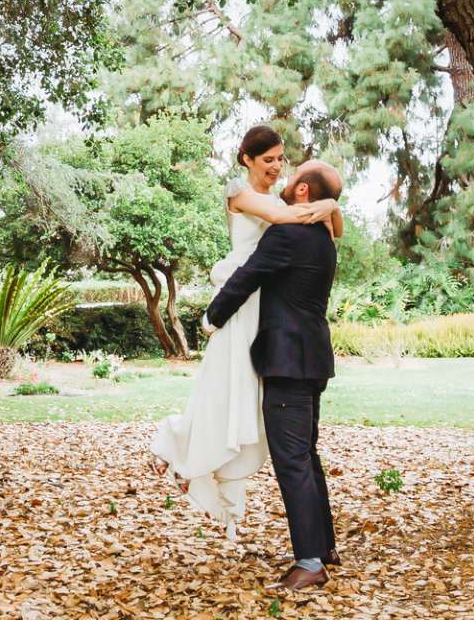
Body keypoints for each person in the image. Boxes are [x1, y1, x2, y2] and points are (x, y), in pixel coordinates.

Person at [145, 126, 341, 540]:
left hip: (265, 311)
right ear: (247, 159)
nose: (275, 167)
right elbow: (284, 221)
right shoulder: (243, 194)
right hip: (244, 301)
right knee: (223, 386)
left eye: (280, 160)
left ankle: (201, 463)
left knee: (247, 405)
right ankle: (181, 451)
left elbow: (309, 224)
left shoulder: (290, 211)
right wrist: (327, 205)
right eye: (267, 158)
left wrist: (327, 207)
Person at [204, 156, 344, 592]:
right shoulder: (323, 237)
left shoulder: (288, 234)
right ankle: (324, 548)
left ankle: (308, 563)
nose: (285, 179)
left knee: (292, 460)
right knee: (307, 454)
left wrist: (213, 317)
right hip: (313, 358)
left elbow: (249, 276)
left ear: (303, 191)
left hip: (287, 360)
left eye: (294, 176)